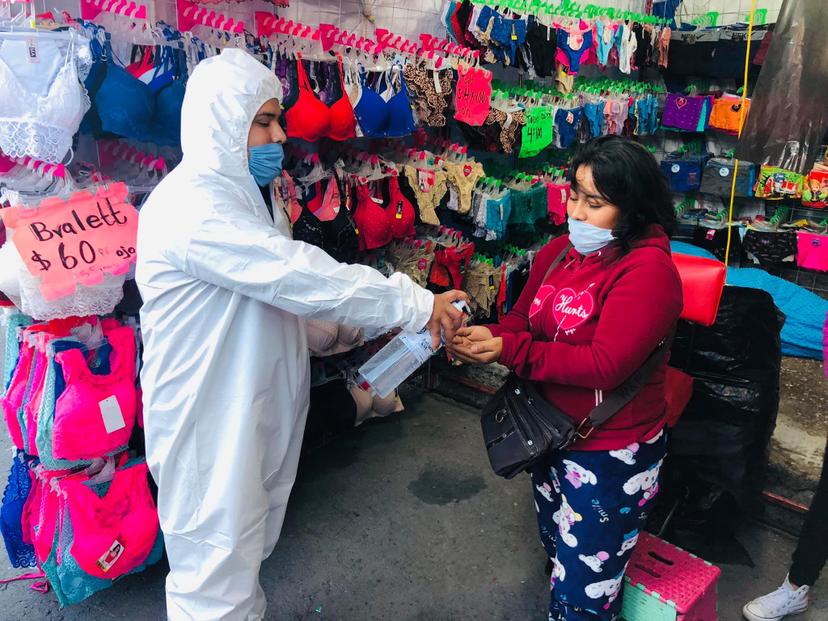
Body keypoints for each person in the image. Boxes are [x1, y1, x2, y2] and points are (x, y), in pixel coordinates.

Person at [135, 49, 467, 620]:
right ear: (221, 122)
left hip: (248, 409)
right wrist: (413, 304)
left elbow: (286, 305)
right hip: (208, 419)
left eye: (277, 119)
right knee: (213, 577)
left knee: (241, 557)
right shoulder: (193, 210)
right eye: (262, 122)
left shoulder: (246, 203)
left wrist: (376, 327)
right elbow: (299, 278)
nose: (280, 135)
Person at [448, 135, 683, 620]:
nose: (575, 211)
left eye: (594, 203)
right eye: (574, 194)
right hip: (550, 430)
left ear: (634, 210)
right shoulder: (558, 251)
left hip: (609, 449)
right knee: (559, 548)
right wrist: (486, 336)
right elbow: (521, 320)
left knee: (585, 590)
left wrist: (512, 350)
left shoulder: (648, 271)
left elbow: (605, 365)